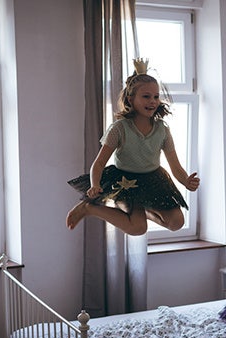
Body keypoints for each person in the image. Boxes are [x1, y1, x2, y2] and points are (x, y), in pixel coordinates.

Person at [66, 58, 199, 235]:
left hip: (154, 181)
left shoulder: (162, 130)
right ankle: (89, 209)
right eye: (146, 96)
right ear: (131, 99)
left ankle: (143, 210)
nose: (152, 101)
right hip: (125, 183)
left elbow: (176, 167)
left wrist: (186, 181)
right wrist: (95, 185)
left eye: (156, 97)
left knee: (176, 222)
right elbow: (98, 164)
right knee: (138, 228)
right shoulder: (119, 129)